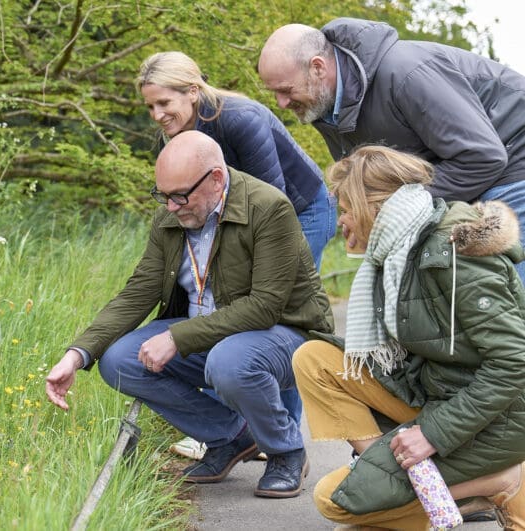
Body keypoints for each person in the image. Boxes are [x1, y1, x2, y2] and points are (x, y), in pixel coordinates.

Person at [45, 130, 334, 498]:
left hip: (287, 336)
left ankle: (284, 450)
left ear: (216, 178)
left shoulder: (268, 207)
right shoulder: (172, 215)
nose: (170, 207)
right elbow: (138, 292)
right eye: (162, 196)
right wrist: (77, 354)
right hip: (211, 335)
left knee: (230, 363)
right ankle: (230, 438)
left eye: (180, 195)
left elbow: (265, 306)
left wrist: (176, 338)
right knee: (118, 360)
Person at [291, 145, 525, 529]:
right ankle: (399, 470)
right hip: (437, 393)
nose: (341, 222)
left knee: (336, 502)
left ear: (374, 207)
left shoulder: (454, 255)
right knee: (314, 358)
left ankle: (503, 481)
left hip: (499, 419)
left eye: (346, 210)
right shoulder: (397, 251)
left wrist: (432, 434)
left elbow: (514, 363)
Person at [137, 51, 337, 459]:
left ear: (192, 92)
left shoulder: (241, 119)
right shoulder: (173, 133)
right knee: (220, 305)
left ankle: (278, 433)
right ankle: (232, 427)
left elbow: (270, 202)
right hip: (244, 212)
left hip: (301, 209)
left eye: (164, 103)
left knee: (281, 314)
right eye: (150, 106)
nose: (157, 114)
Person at [257, 18, 525, 284]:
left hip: (512, 159)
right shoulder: (322, 104)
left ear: (317, 67)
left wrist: (389, 209)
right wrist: (359, 213)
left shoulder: (405, 73)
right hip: (469, 171)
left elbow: (483, 157)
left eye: (285, 90)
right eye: (274, 93)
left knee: (498, 293)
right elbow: (371, 180)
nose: (281, 103)